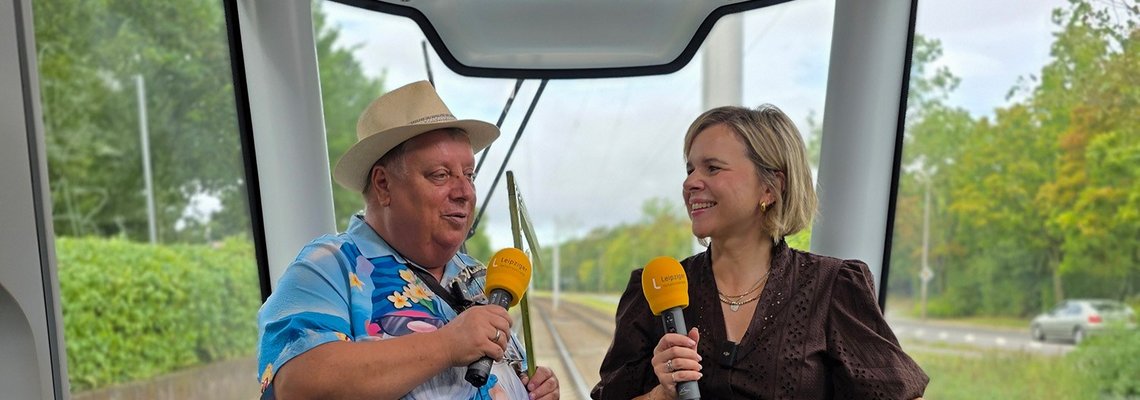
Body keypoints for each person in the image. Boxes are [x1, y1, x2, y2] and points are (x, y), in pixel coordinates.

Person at [592, 105, 928, 399]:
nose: (691, 182)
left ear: (770, 187)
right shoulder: (653, 290)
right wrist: (661, 394)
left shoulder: (833, 287)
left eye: (712, 168)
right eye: (690, 169)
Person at [256, 81, 559, 400]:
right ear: (383, 184)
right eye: (440, 175)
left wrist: (532, 388)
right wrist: (447, 345)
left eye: (468, 175)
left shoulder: (481, 278)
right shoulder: (327, 267)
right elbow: (297, 382)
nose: (464, 192)